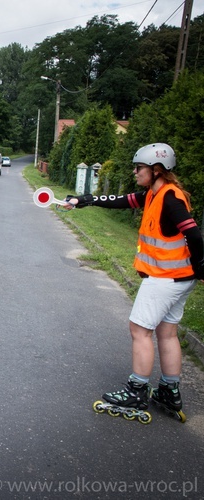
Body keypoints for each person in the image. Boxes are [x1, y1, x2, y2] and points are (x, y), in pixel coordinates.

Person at [66, 143, 203, 422]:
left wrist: (202, 265)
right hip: (179, 280)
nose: (134, 171)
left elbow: (194, 234)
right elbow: (122, 200)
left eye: (138, 167)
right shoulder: (154, 194)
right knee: (167, 333)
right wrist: (86, 200)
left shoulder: (169, 199)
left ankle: (137, 390)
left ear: (156, 170)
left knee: (139, 330)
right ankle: (169, 390)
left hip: (165, 279)